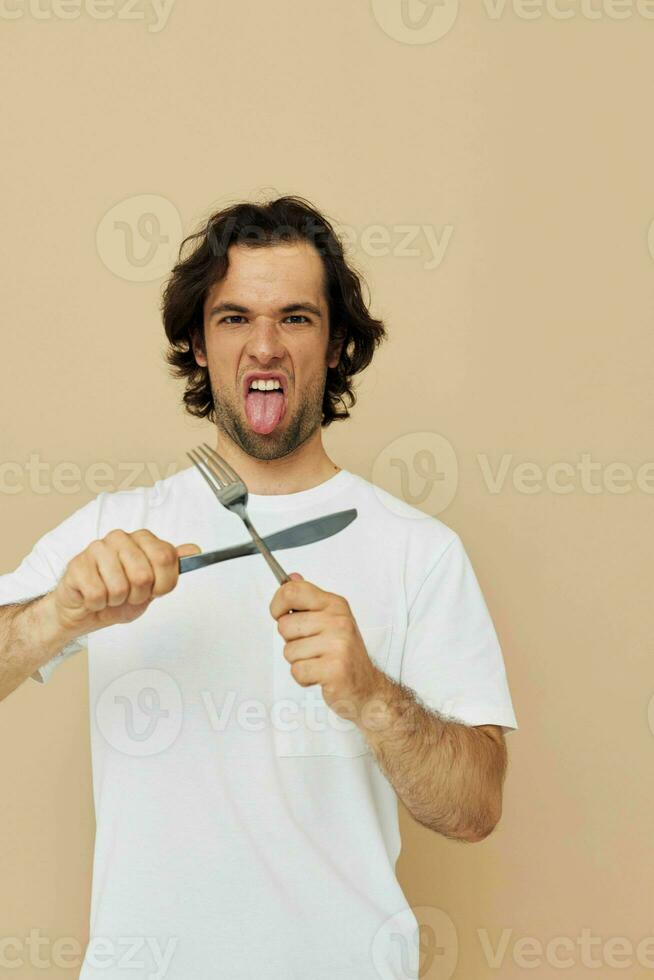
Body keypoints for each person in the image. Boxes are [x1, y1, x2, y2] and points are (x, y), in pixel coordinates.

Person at [0, 195, 518, 979]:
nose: (264, 346)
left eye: (297, 319)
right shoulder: (113, 528)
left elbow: (476, 809)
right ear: (201, 346)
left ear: (338, 344)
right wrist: (59, 615)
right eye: (235, 318)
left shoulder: (421, 551)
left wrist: (372, 695)